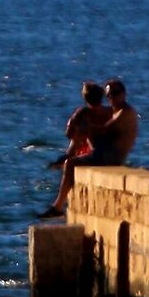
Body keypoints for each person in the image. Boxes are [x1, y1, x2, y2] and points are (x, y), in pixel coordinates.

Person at [42, 82, 114, 217]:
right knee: (82, 132)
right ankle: (67, 156)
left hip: (97, 153)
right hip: (111, 152)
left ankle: (57, 206)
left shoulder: (84, 112)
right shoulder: (110, 111)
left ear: (85, 98)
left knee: (70, 160)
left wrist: (82, 127)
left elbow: (69, 133)